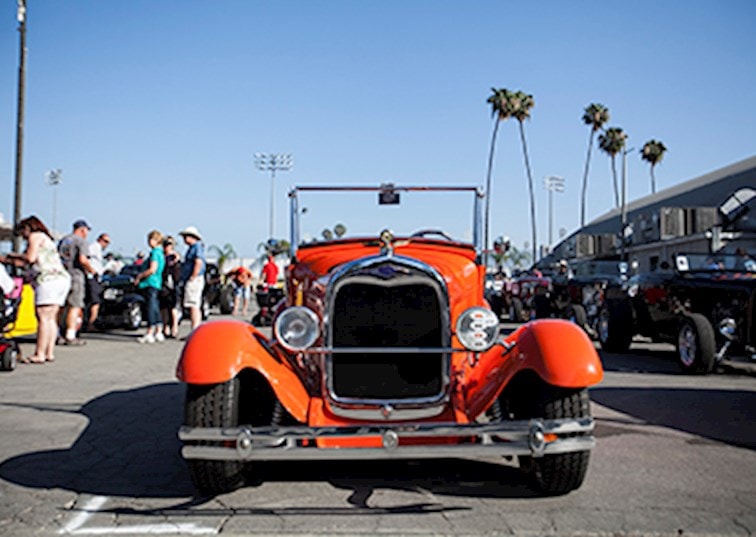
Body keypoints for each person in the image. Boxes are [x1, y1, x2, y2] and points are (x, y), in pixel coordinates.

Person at [0, 216, 71, 363]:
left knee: (43, 317)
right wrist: (10, 260)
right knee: (51, 318)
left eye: (22, 232)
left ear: (28, 228)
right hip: (61, 279)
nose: (23, 237)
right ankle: (49, 352)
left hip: (47, 280)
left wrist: (13, 256)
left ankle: (39, 353)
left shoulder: (35, 236)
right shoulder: (47, 239)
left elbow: (30, 259)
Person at [58, 219, 96, 345]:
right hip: (76, 276)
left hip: (61, 275)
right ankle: (70, 334)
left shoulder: (63, 240)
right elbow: (83, 259)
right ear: (82, 230)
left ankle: (57, 333)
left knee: (61, 307)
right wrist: (92, 270)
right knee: (74, 306)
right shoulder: (81, 241)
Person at [133, 230, 165, 343]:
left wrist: (140, 276)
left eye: (150, 239)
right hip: (156, 282)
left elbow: (152, 269)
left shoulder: (155, 253)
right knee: (155, 306)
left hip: (150, 282)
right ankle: (158, 330)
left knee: (151, 307)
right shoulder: (160, 253)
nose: (148, 242)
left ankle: (150, 332)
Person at [179, 226, 206, 332]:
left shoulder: (197, 247)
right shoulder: (192, 248)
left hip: (195, 279)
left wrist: (193, 276)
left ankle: (195, 329)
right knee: (192, 304)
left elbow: (198, 262)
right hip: (192, 278)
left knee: (193, 304)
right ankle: (195, 329)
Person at [85, 232, 110, 331]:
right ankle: (91, 323)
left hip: (97, 277)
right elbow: (85, 257)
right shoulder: (94, 247)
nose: (106, 244)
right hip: (92, 277)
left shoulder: (99, 250)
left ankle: (91, 322)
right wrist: (91, 270)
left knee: (93, 301)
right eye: (105, 241)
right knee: (95, 301)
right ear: (100, 239)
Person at [160, 236, 181, 338]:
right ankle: (165, 328)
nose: (166, 247)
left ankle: (174, 328)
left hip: (173, 284)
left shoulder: (175, 257)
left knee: (173, 307)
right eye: (165, 244)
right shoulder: (162, 257)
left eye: (169, 244)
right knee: (163, 308)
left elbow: (177, 271)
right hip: (163, 284)